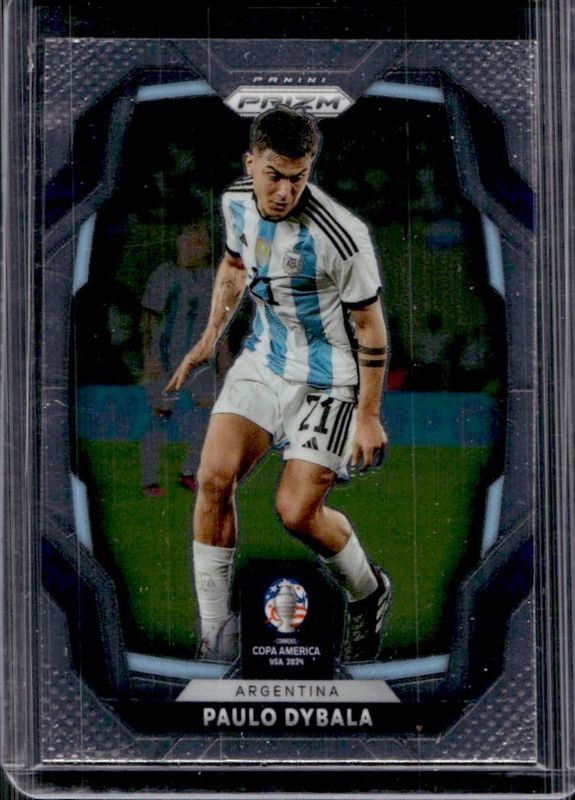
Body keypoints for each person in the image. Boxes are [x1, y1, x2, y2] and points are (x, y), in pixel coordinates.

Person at [167, 106, 391, 663]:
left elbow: (370, 328)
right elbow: (234, 265)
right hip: (264, 361)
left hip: (328, 380)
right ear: (251, 163)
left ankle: (368, 592)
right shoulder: (235, 201)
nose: (286, 191)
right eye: (274, 175)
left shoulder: (343, 236)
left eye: (298, 176)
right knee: (213, 480)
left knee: (296, 513)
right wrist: (210, 336)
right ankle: (214, 635)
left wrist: (367, 416)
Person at [141, 221, 216, 496]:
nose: (195, 247)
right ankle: (150, 479)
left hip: (200, 363)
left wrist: (224, 361)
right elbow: (149, 320)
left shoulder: (212, 279)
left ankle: (189, 472)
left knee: (209, 414)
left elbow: (217, 326)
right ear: (179, 243)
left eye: (201, 242)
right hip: (167, 359)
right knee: (161, 414)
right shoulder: (165, 275)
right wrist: (150, 357)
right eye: (190, 241)